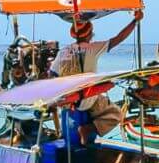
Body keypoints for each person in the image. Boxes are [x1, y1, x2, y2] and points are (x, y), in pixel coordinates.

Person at [54, 9, 141, 141]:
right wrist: (135, 21)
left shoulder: (63, 52)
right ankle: (88, 129)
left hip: (68, 102)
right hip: (86, 100)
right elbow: (119, 38)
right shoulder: (93, 48)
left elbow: (52, 74)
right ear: (89, 34)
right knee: (116, 113)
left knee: (97, 94)